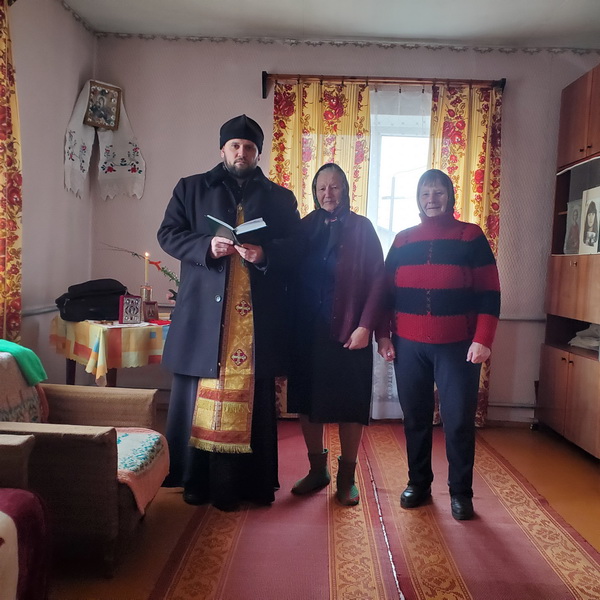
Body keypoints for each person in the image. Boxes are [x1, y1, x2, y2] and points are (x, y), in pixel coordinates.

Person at [157, 114, 300, 511]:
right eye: (235, 145)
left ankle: (251, 485)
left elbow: (298, 246)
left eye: (249, 147)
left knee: (253, 402)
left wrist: (265, 253)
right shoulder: (190, 188)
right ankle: (195, 481)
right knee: (197, 399)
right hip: (205, 319)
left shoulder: (280, 198)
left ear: (258, 153)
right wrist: (206, 246)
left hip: (255, 323)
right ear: (222, 149)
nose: (242, 152)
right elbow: (168, 234)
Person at [378, 169, 500, 521]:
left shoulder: (470, 236)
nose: (432, 199)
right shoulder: (402, 240)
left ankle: (461, 492)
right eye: (425, 193)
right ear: (418, 199)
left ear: (450, 196)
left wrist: (483, 339)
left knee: (458, 421)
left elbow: (490, 293)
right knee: (415, 419)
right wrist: (383, 335)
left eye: (438, 192)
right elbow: (385, 294)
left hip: (458, 348)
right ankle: (418, 484)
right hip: (408, 346)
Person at [287, 163, 387, 506]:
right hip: (307, 330)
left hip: (350, 330)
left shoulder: (362, 228)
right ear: (314, 193)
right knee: (306, 403)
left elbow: (379, 280)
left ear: (346, 189)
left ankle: (346, 479)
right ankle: (318, 471)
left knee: (349, 405)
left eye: (334, 187)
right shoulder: (303, 227)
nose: (327, 194)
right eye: (321, 188)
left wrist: (366, 326)